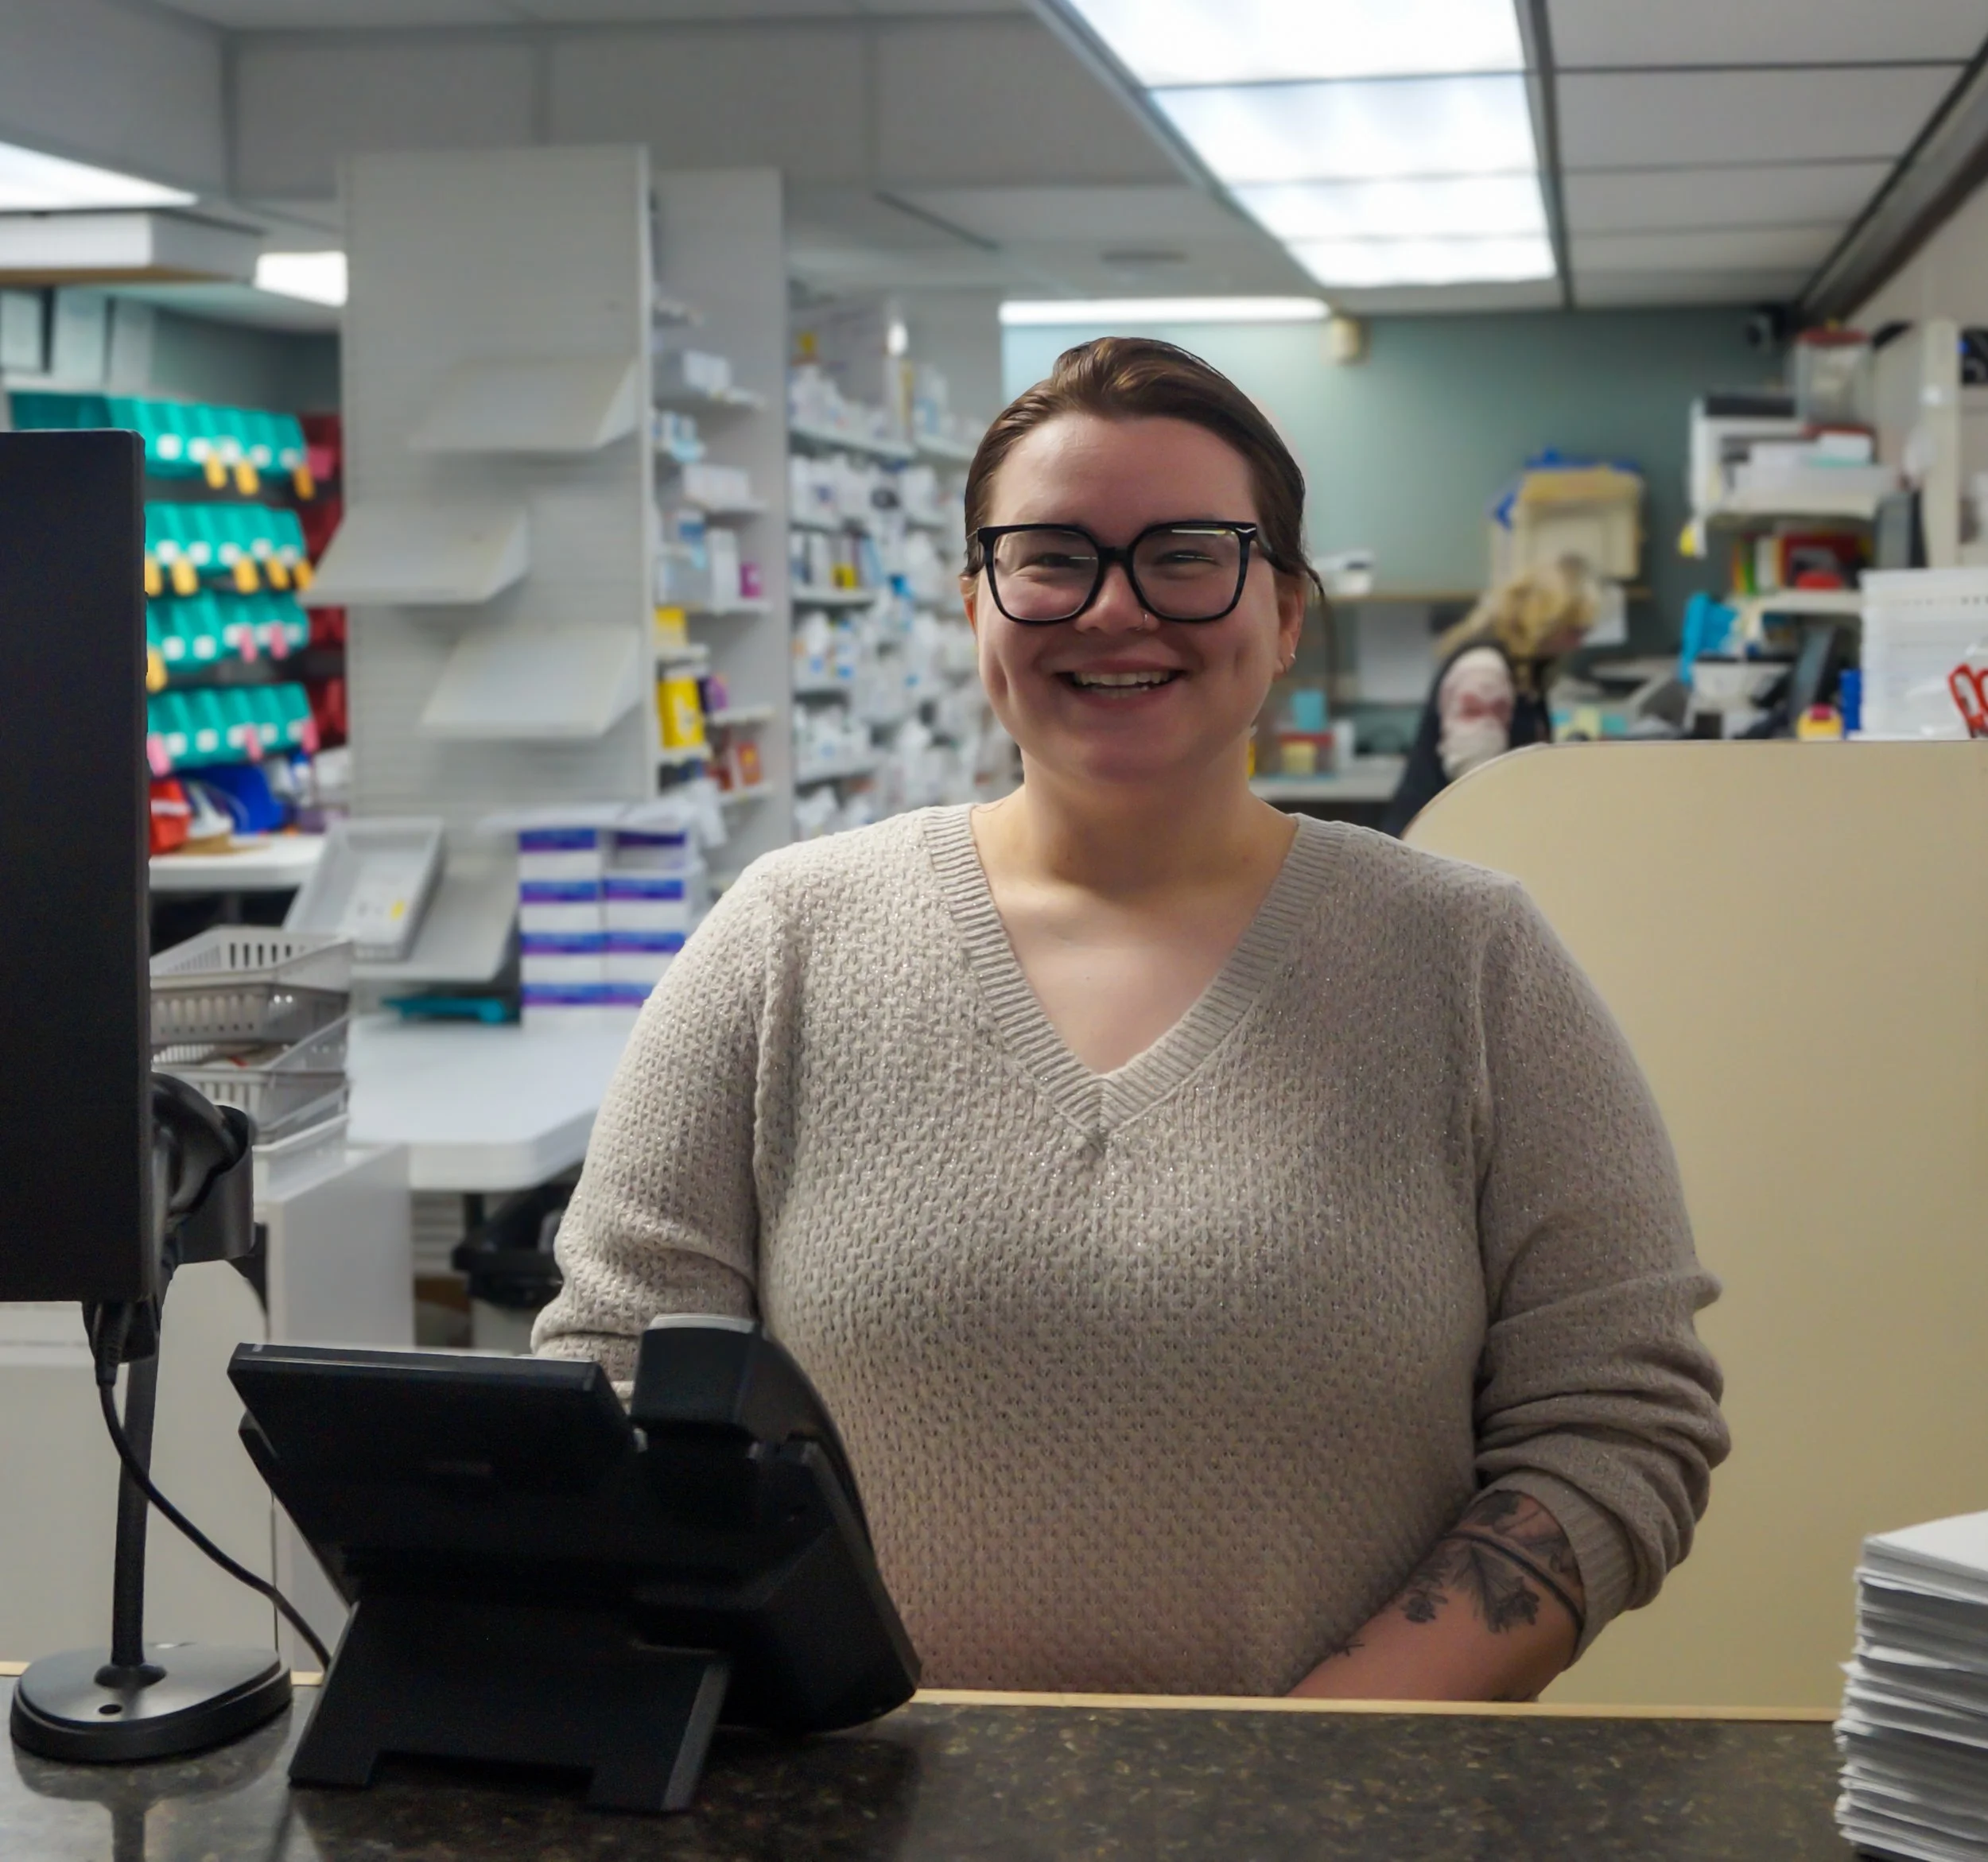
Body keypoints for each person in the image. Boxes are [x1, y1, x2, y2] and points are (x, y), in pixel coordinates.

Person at [535, 337, 1728, 1702]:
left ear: (1284, 610)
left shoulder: (1468, 959)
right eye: (1052, 556)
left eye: (1187, 554)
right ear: (976, 601)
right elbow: (614, 1387)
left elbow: (1619, 1425)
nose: (1115, 609)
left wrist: (1292, 1775)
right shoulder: (784, 940)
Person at [1379, 556, 1600, 837]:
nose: (1578, 643)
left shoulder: (1522, 673)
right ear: (1545, 620)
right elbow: (1478, 781)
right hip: (1436, 841)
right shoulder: (1483, 673)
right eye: (1574, 631)